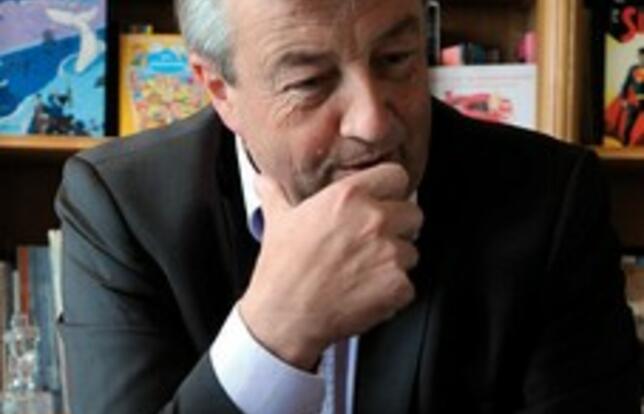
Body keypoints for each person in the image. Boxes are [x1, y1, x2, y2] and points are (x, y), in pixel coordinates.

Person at [55, 0, 641, 412]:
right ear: (219, 90)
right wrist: (274, 334)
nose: (373, 123)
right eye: (310, 82)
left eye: (396, 58)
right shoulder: (122, 207)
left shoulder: (549, 198)